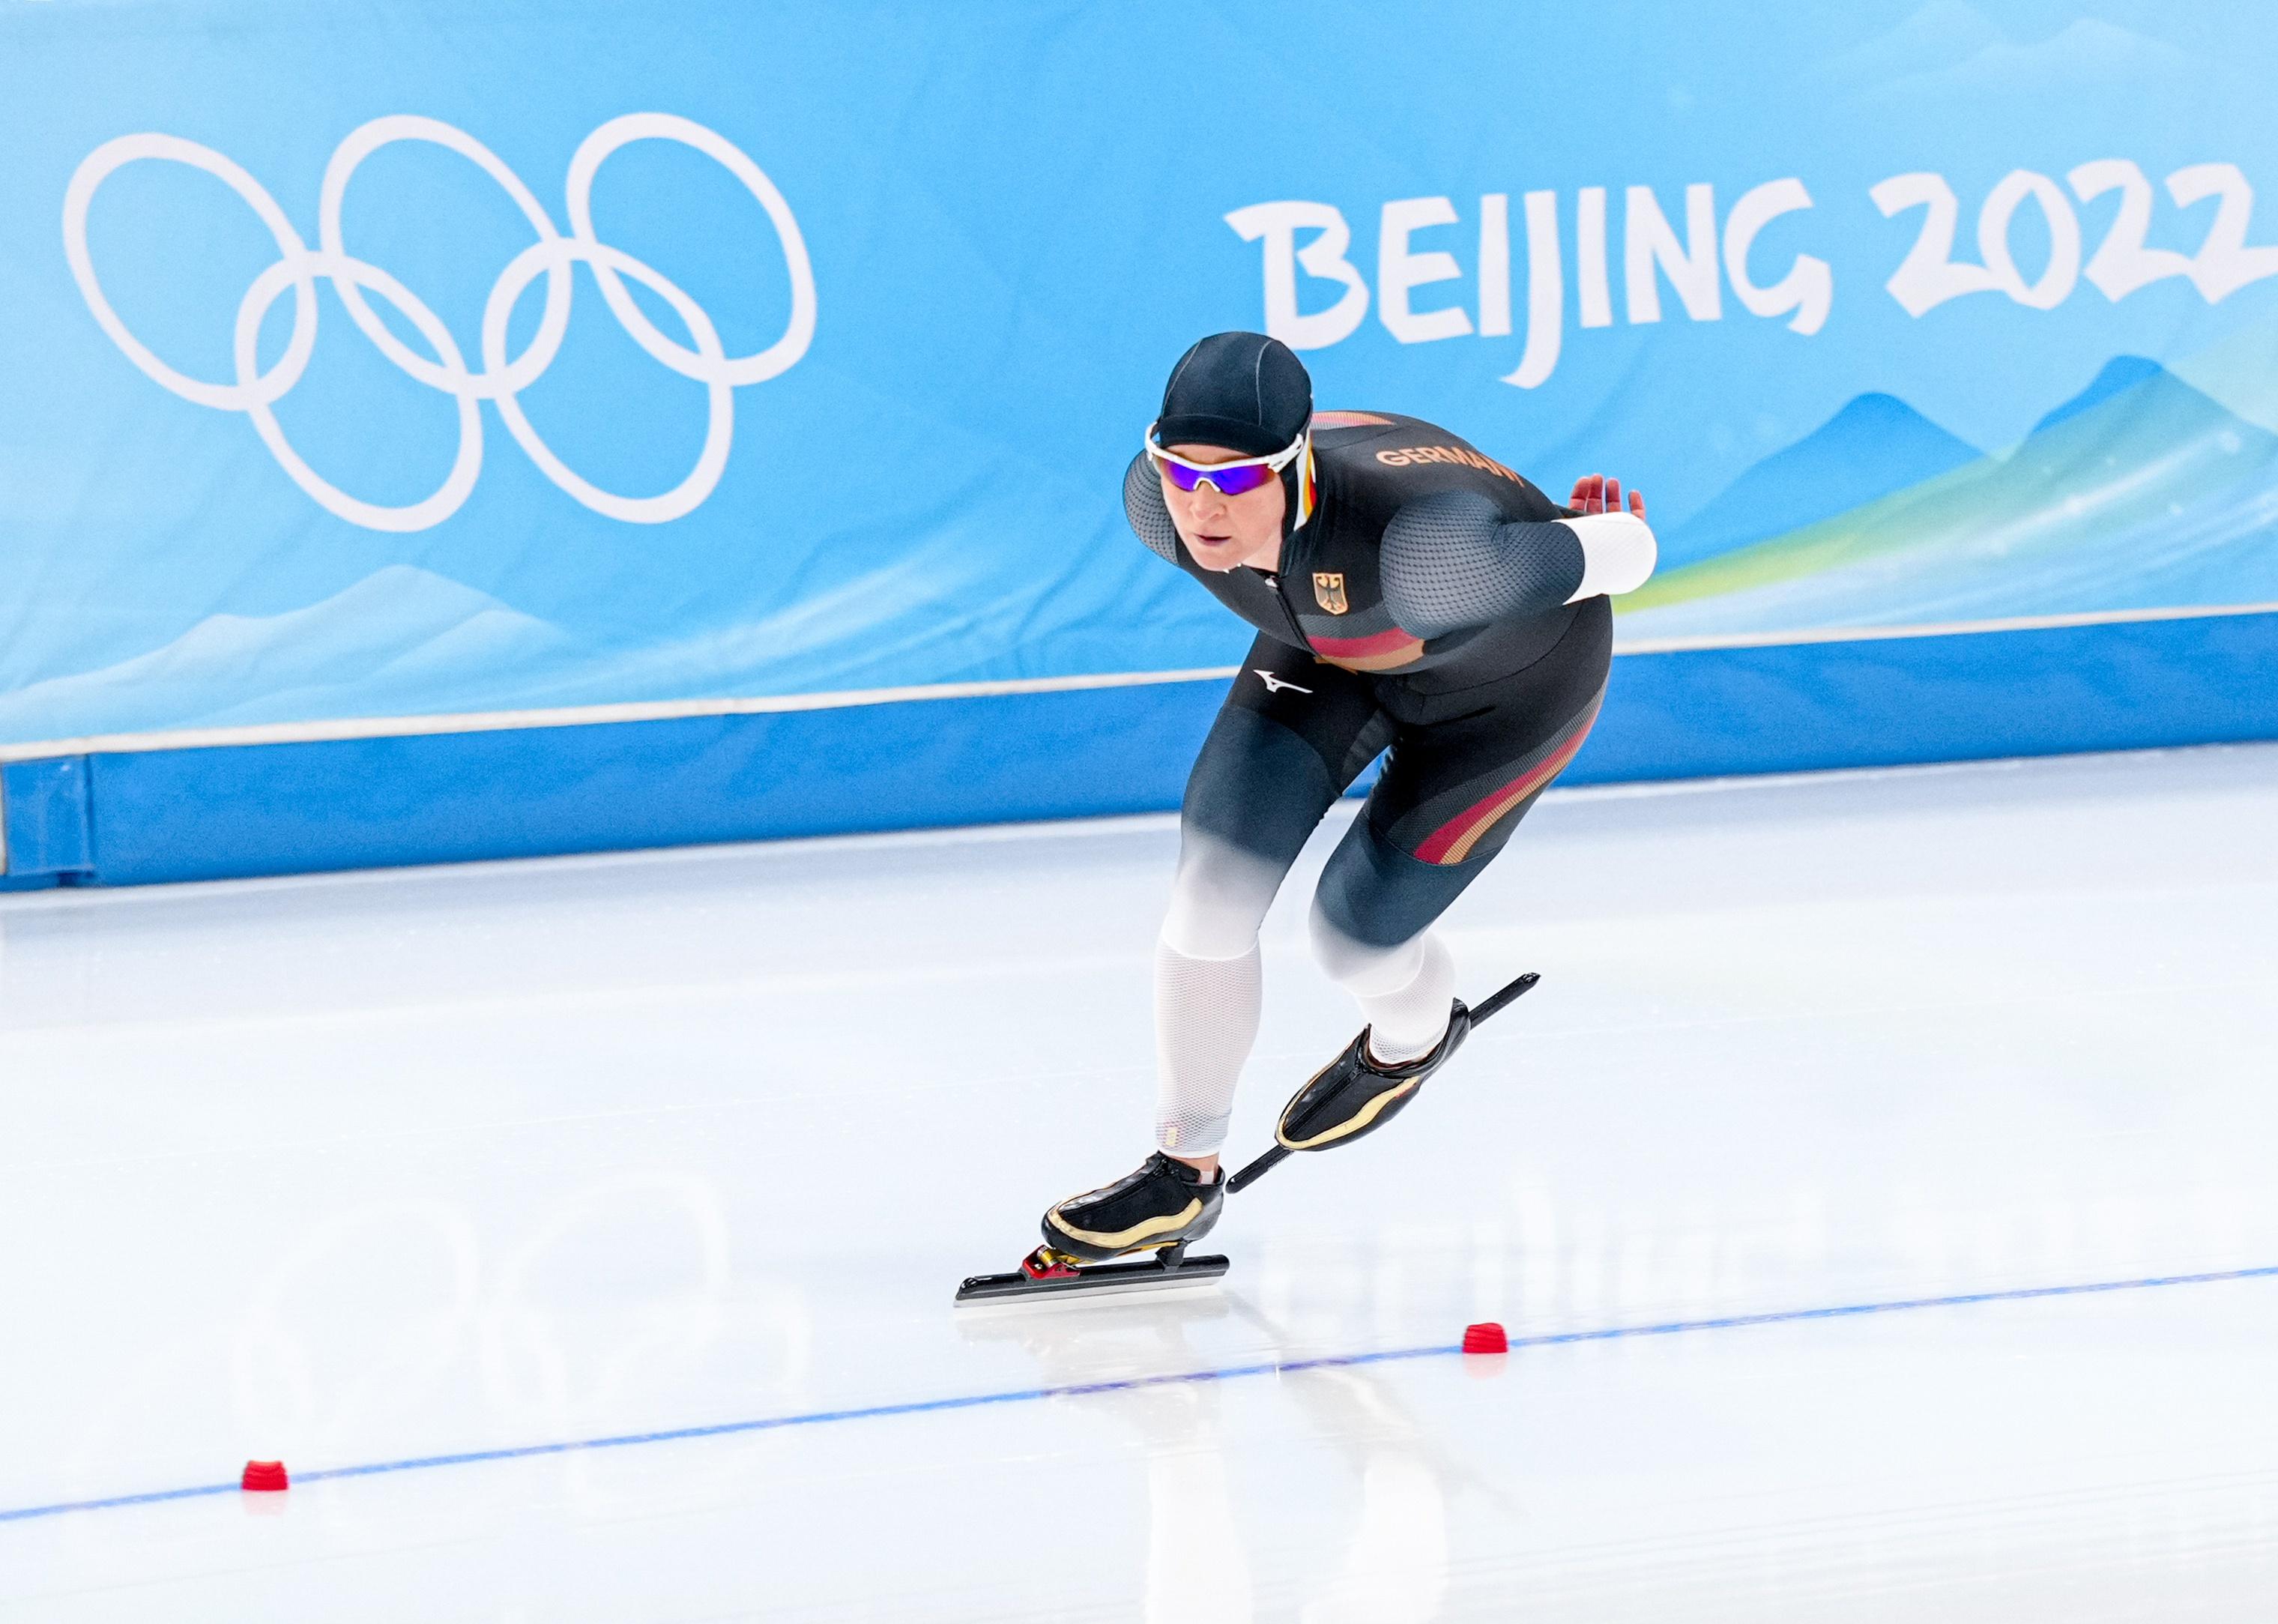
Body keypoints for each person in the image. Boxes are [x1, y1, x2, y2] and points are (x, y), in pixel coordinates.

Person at [1036, 330, 1656, 1271]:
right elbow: (1225, 520)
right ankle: (1182, 1170)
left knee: (1350, 938)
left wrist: (1574, 533)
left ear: (1294, 468)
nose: (1204, 508)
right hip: (1332, 654)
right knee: (1209, 896)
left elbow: (1632, 551)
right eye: (1180, 471)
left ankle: (1410, 1041)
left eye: (1239, 481)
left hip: (1508, 692)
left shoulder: (1429, 557)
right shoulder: (1153, 509)